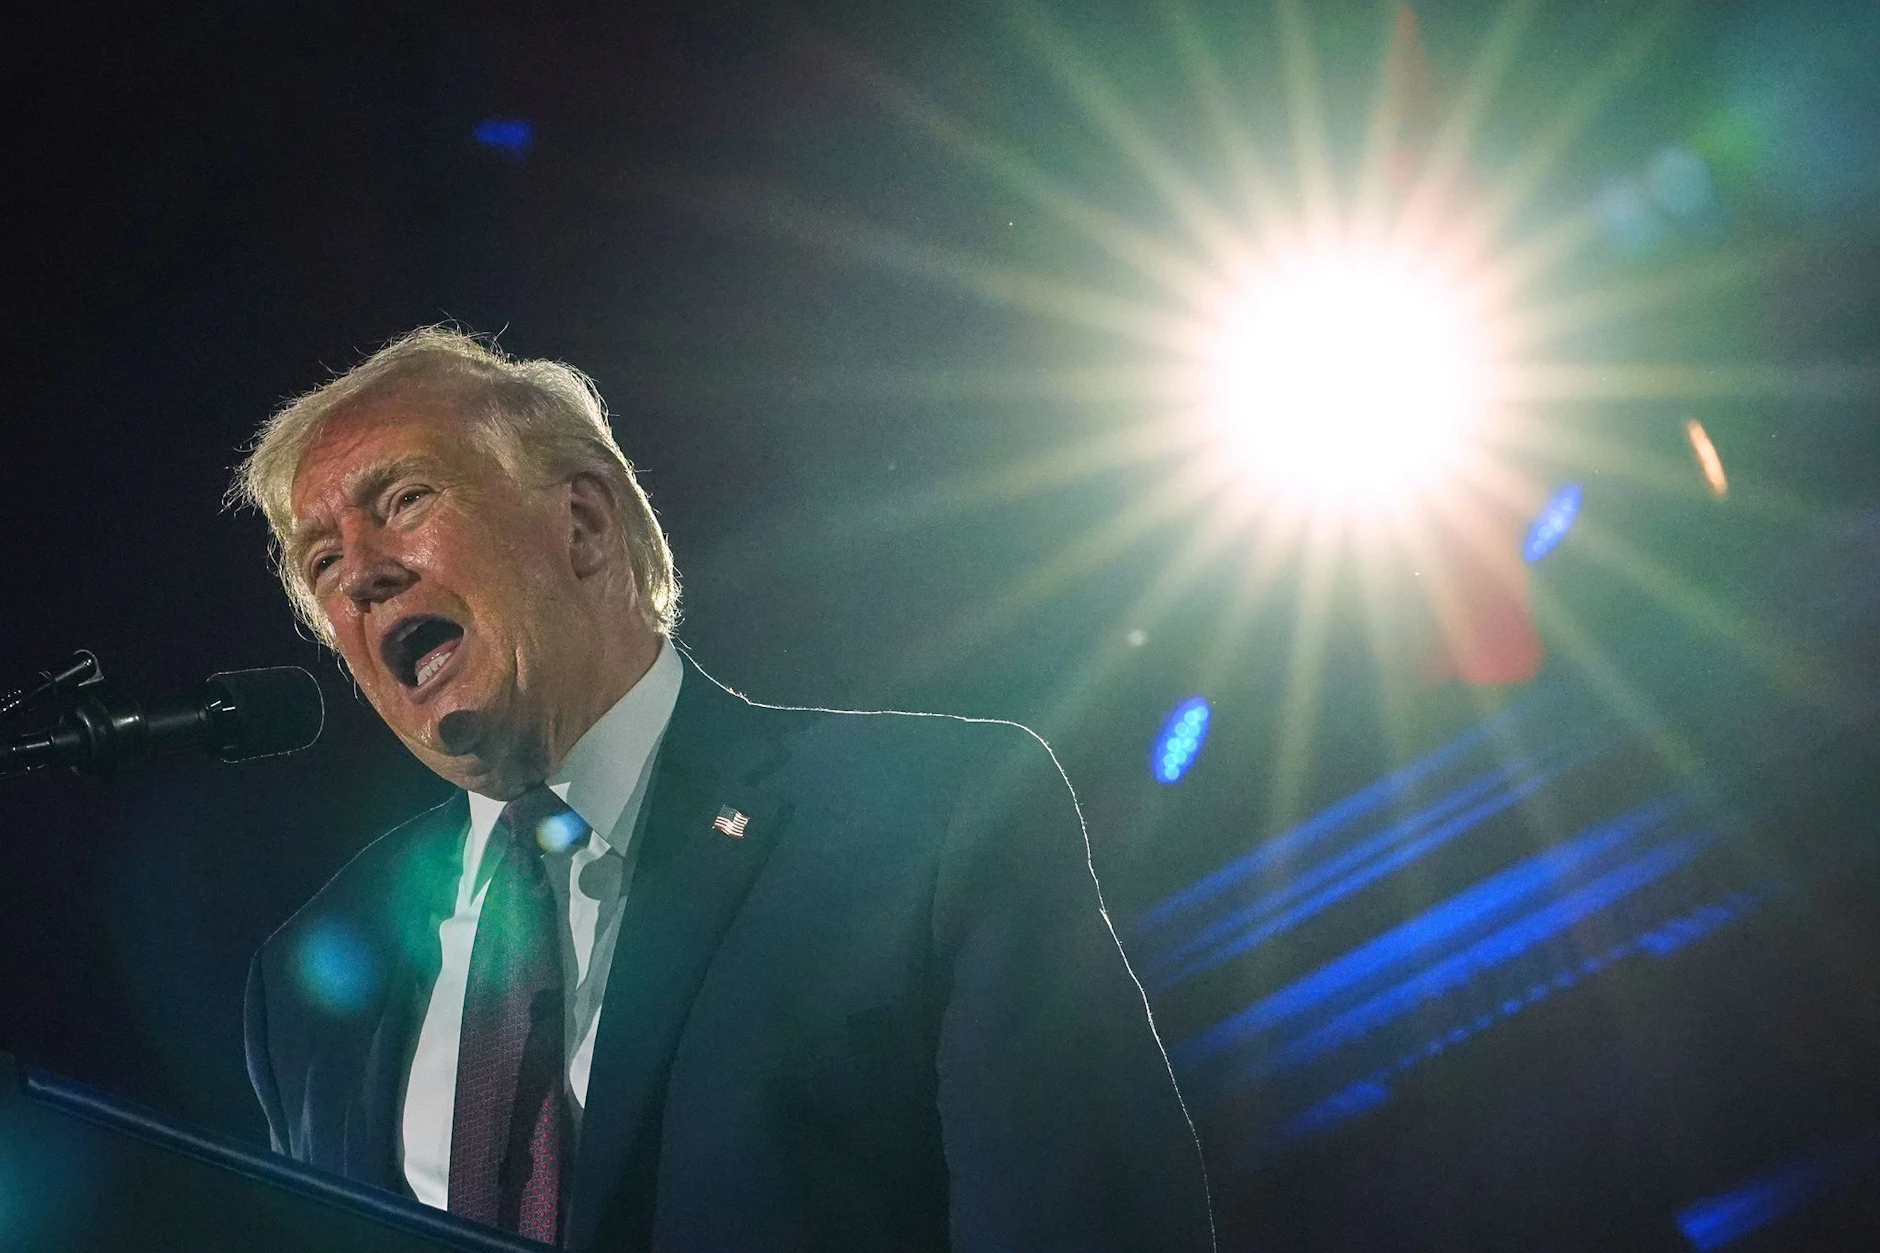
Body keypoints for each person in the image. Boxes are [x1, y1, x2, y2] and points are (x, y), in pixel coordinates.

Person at [234, 328, 1214, 1251]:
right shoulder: (308, 989)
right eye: (320, 561)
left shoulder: (925, 817)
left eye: (405, 500)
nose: (360, 573)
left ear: (581, 521)